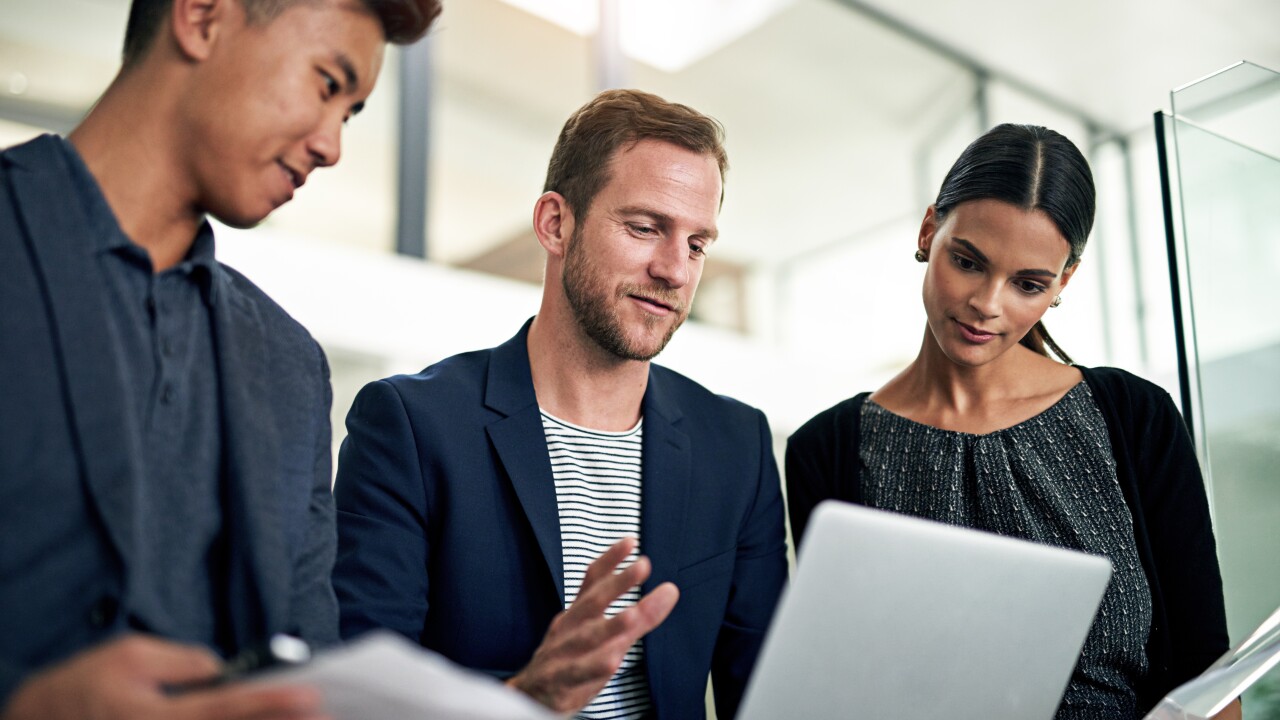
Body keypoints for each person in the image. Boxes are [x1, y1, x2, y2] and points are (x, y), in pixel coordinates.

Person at [0, 0, 440, 717]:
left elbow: (310, 663)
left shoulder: (291, 366)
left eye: (351, 114)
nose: (332, 146)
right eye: (329, 84)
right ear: (202, 17)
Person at [331, 89, 789, 719]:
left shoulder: (735, 445)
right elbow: (362, 704)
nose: (675, 270)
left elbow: (765, 695)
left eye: (696, 244)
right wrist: (527, 699)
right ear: (555, 223)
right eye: (645, 227)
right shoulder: (411, 426)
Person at [785, 123, 1236, 720]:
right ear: (929, 231)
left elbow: (1207, 672)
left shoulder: (1133, 417)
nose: (987, 304)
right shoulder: (829, 449)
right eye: (968, 262)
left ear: (1062, 283)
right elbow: (840, 683)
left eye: (1028, 284)